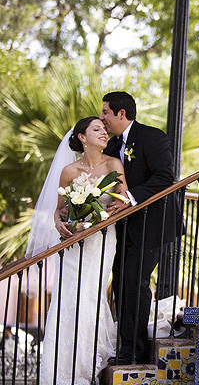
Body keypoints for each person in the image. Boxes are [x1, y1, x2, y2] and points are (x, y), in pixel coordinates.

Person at [34, 116, 128, 384]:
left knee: (89, 293)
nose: (103, 133)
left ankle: (87, 362)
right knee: (67, 297)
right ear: (82, 138)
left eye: (103, 129)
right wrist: (61, 224)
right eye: (96, 129)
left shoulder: (113, 164)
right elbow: (58, 211)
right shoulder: (68, 171)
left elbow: (121, 203)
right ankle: (60, 368)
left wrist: (95, 222)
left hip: (100, 240)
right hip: (72, 245)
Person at [100, 91, 180, 365]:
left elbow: (165, 177)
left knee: (135, 282)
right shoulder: (110, 148)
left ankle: (134, 350)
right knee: (121, 284)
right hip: (122, 229)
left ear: (121, 114)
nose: (102, 118)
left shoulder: (152, 136)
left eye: (106, 113)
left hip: (151, 224)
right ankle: (128, 346)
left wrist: (130, 199)